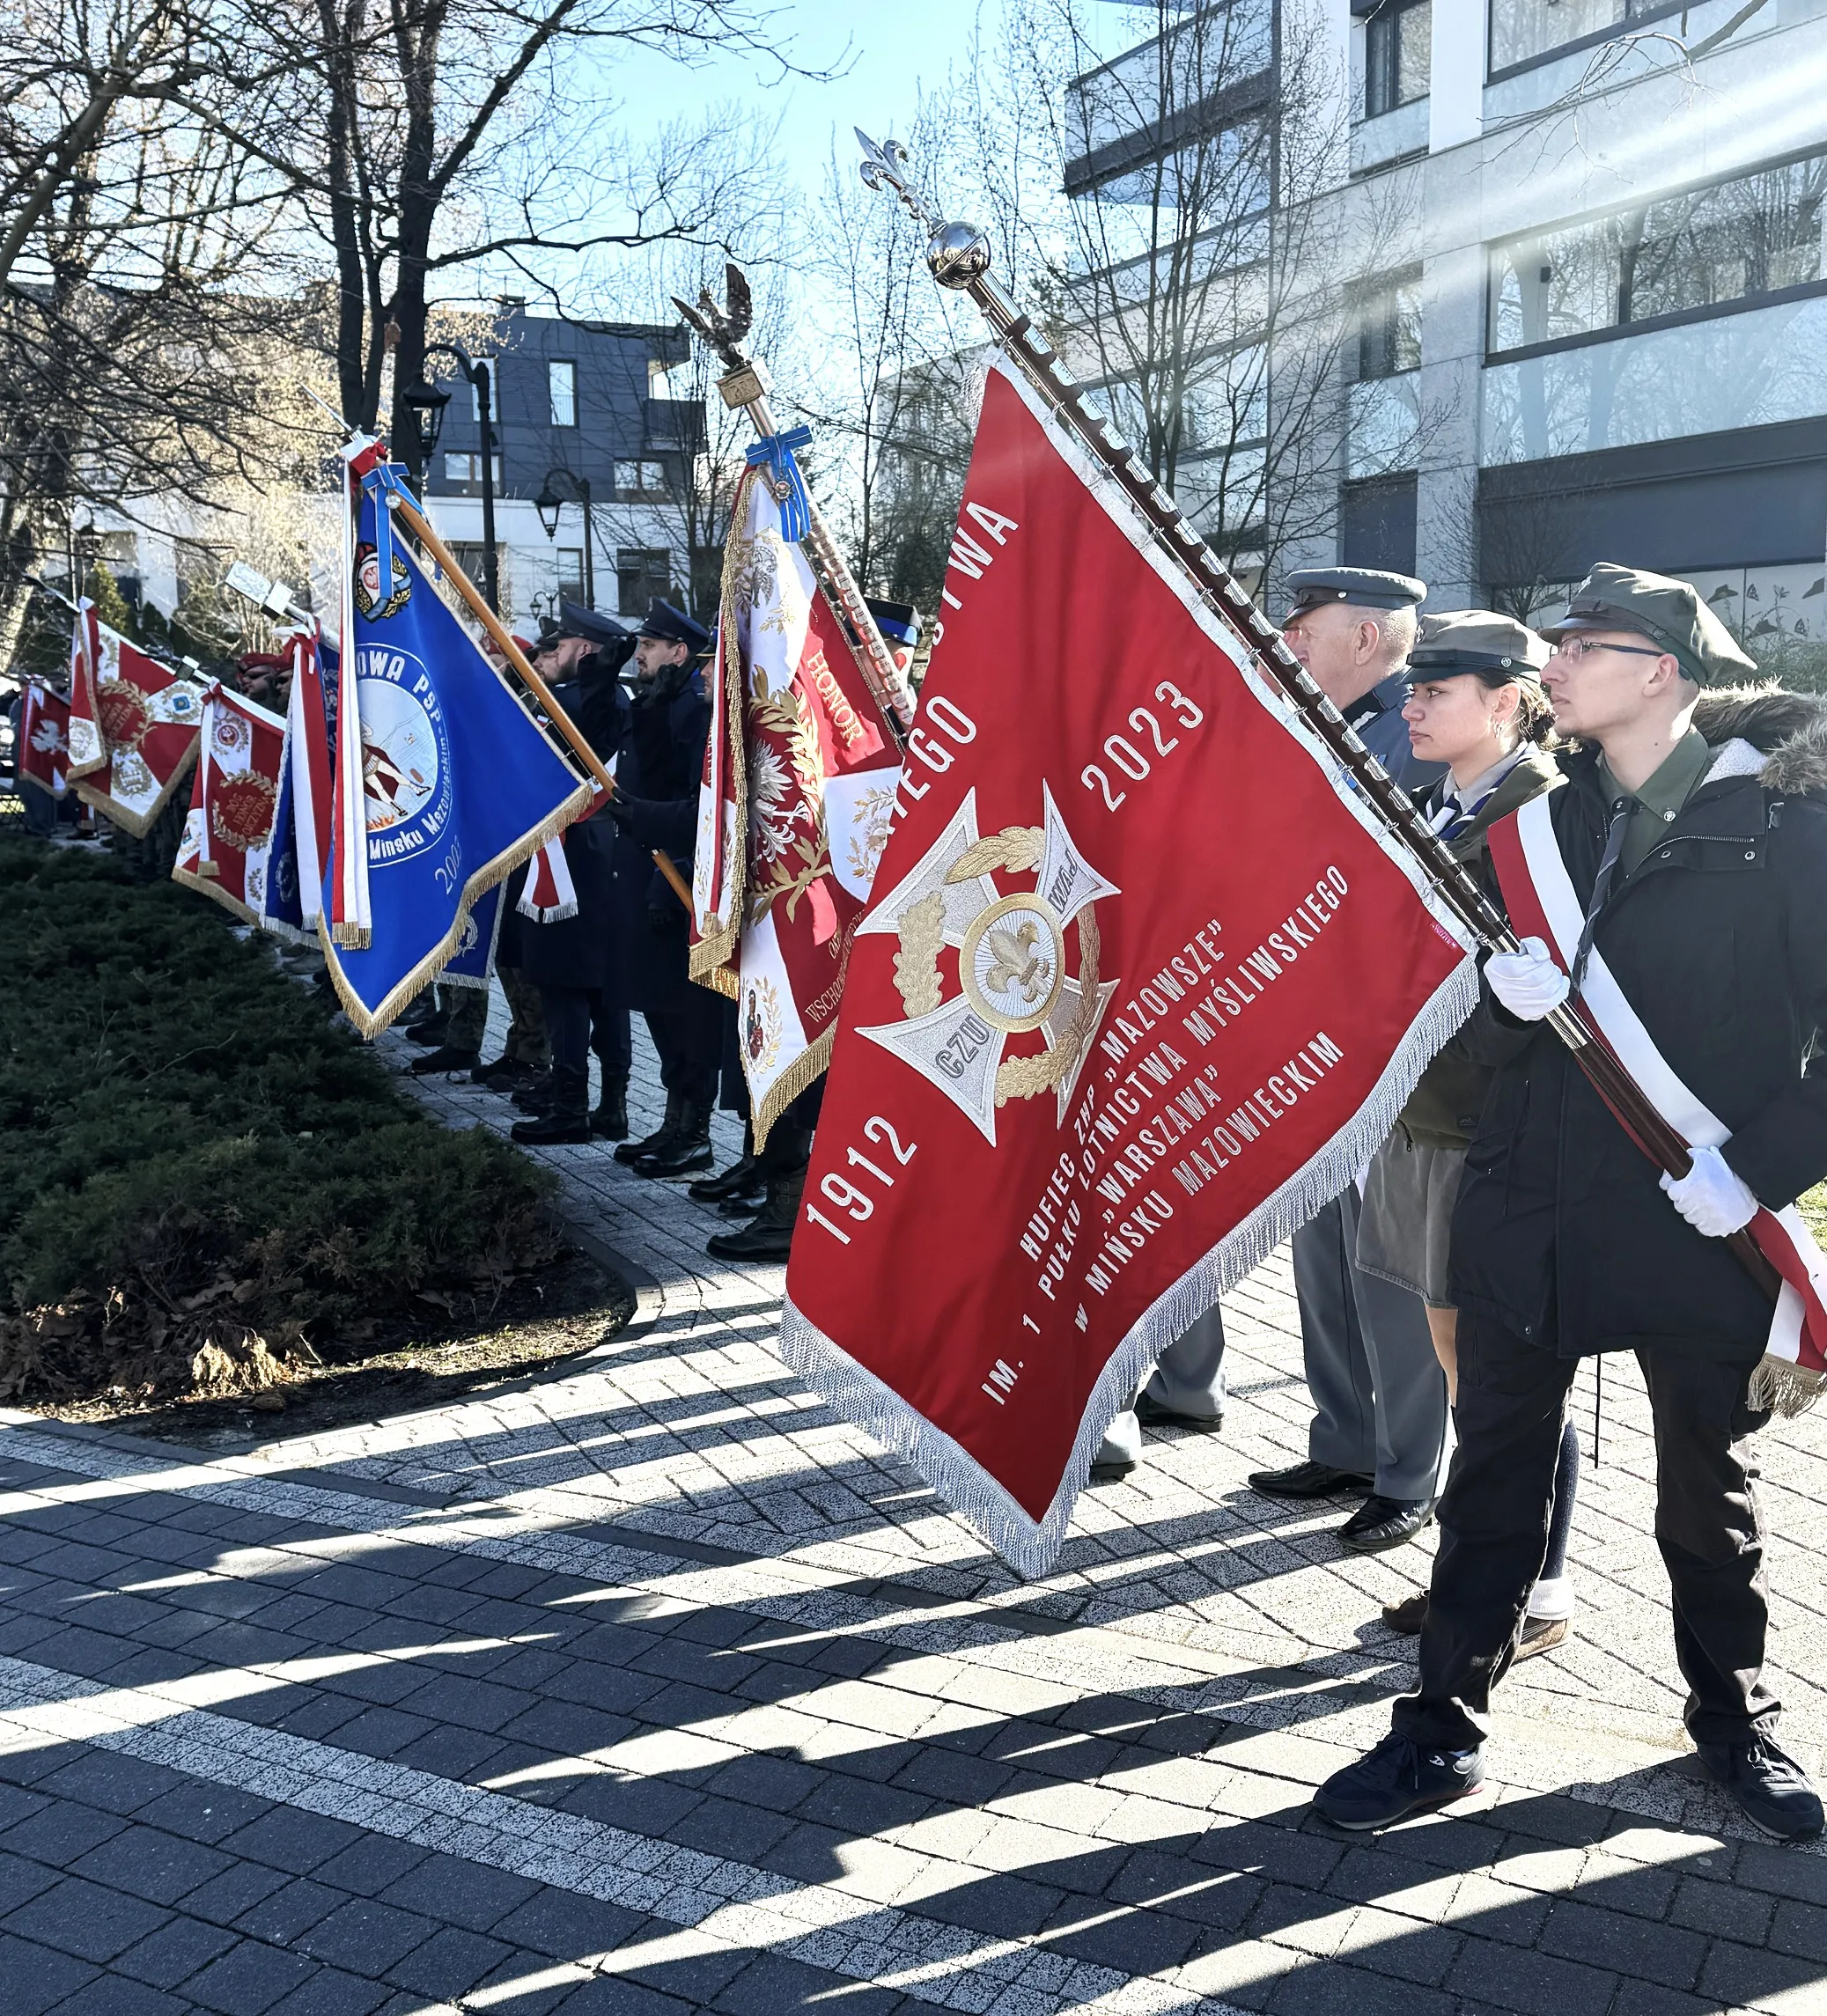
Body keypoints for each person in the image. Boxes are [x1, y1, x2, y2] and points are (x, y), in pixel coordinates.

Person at [1315, 563, 1827, 1842]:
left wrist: (1753, 1174)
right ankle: (1439, 1722)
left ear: (1658, 669)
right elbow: (1478, 1037)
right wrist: (1501, 996)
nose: (1553, 662)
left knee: (1699, 1496)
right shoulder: (1538, 825)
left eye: (1582, 644)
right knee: (1489, 1474)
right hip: (1527, 1202)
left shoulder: (1786, 824)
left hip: (1687, 1204)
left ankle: (1731, 1716)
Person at [1352, 611, 1578, 1653]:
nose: (1412, 703)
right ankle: (1481, 1568)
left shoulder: (1541, 813)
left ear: (1502, 700)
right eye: (1413, 688)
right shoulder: (1442, 802)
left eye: (1435, 691)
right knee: (1461, 1363)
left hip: (1488, 1127)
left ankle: (1532, 1590)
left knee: (1501, 1372)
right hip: (1430, 1113)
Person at [1245, 567, 1449, 1553]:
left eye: (1304, 629)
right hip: (1316, 1037)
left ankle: (1409, 1469)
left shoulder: (1404, 735)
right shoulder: (1326, 724)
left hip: (1383, 1046)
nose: (1287, 645)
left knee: (1387, 1267)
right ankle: (1345, 1438)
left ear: (1363, 639)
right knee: (1322, 1252)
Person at [604, 600, 724, 1178]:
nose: (640, 654)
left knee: (686, 1015)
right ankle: (673, 1121)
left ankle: (694, 1131)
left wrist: (662, 875)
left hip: (675, 884)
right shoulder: (661, 704)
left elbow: (694, 805)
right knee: (659, 1007)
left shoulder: (694, 712)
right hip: (646, 875)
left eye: (649, 646)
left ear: (678, 651)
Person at [511, 603, 634, 1147]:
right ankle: (610, 1105)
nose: (548, 656)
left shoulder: (577, 703)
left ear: (585, 651)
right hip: (601, 856)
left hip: (572, 856)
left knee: (566, 985)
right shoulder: (607, 699)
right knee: (605, 988)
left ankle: (572, 1107)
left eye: (559, 648)